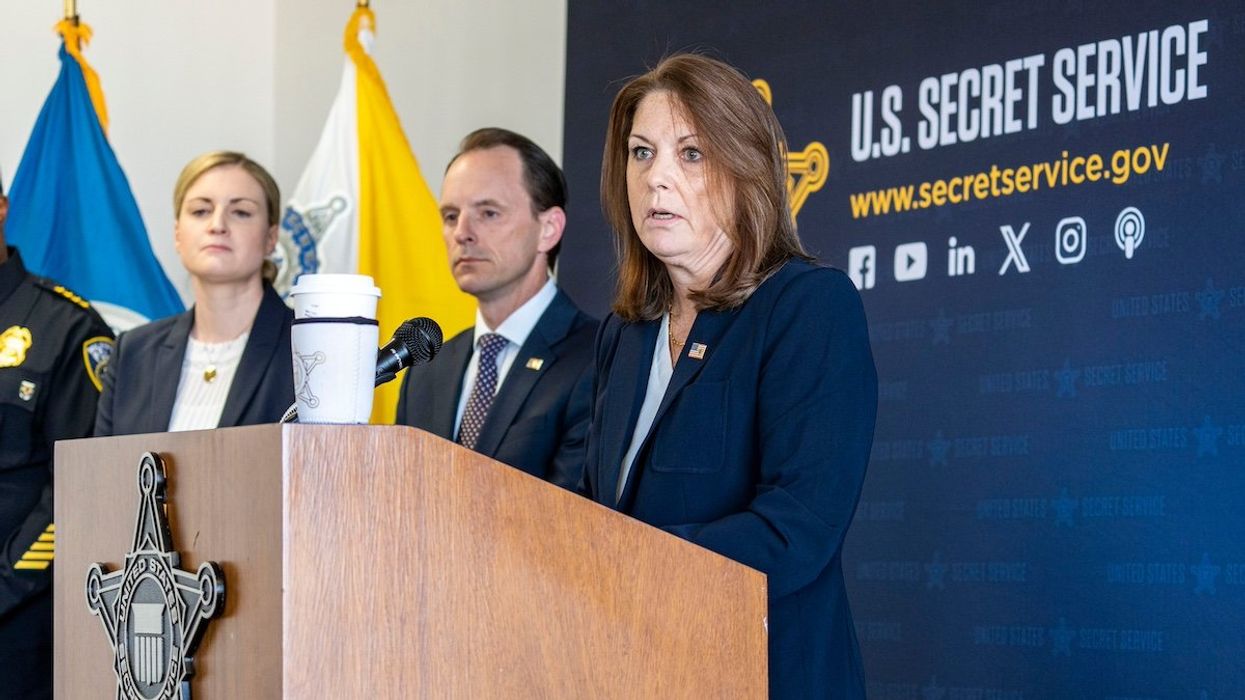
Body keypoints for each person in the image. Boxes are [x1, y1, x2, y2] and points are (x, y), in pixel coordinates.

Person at [583, 54, 878, 698]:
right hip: (632, 671)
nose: (656, 177)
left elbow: (796, 528)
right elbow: (592, 510)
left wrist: (624, 567)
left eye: (691, 154)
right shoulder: (624, 334)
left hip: (765, 672)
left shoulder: (807, 307)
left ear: (748, 172)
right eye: (640, 153)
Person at [396, 128, 597, 491]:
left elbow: (572, 517)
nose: (462, 233)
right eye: (450, 215)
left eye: (488, 213)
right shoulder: (426, 371)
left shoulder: (598, 359)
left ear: (548, 229)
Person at [0, 176, 114, 698]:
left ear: (2, 208)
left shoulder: (66, 324)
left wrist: (8, 582)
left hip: (18, 615)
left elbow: (81, 484)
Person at [95, 151, 293, 436]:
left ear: (271, 238)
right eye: (201, 211)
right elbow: (102, 473)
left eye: (241, 212)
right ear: (178, 234)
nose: (217, 225)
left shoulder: (308, 349)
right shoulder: (133, 353)